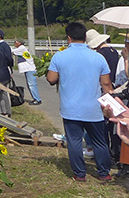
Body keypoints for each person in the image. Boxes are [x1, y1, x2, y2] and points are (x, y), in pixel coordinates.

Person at [46, 21, 114, 182]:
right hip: (93, 108)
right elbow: (106, 84)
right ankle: (104, 173)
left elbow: (51, 79)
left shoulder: (60, 56)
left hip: (70, 108)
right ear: (85, 37)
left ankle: (79, 174)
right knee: (99, 141)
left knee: (75, 141)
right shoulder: (98, 57)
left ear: (68, 38)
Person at [86, 29, 122, 170]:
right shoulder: (113, 51)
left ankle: (107, 155)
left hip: (105, 90)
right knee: (114, 125)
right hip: (116, 89)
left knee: (104, 126)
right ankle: (115, 154)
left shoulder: (100, 55)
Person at [11, 39, 42, 105]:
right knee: (30, 84)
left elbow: (12, 51)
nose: (15, 43)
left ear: (20, 43)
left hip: (30, 69)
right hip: (28, 69)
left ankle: (37, 99)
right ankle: (35, 98)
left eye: (16, 42)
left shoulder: (22, 48)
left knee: (32, 85)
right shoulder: (21, 48)